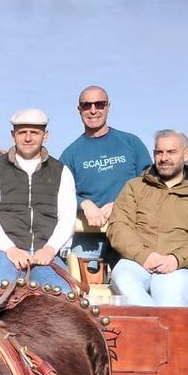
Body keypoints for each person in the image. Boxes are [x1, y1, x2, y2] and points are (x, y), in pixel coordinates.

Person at [106, 130, 188, 306]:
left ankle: (153, 326)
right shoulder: (135, 187)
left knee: (170, 301)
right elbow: (118, 227)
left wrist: (176, 258)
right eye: (159, 152)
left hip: (177, 266)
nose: (164, 158)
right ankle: (157, 328)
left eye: (171, 152)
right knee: (124, 280)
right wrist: (144, 255)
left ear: (186, 154)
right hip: (136, 262)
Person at [0, 108, 76, 290]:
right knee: (9, 294)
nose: (28, 138)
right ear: (13, 135)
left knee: (63, 295)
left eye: (35, 133)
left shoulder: (61, 171)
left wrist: (50, 248)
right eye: (22, 132)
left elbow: (67, 217)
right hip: (4, 253)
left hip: (46, 253)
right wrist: (10, 249)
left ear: (45, 136)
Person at [60, 85, 151, 268]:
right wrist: (83, 204)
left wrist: (120, 204)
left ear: (108, 106)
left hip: (131, 231)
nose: (93, 110)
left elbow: (150, 184)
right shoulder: (70, 154)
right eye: (87, 105)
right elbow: (59, 192)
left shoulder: (131, 143)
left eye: (99, 104)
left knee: (130, 285)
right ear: (79, 110)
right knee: (81, 287)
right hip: (88, 236)